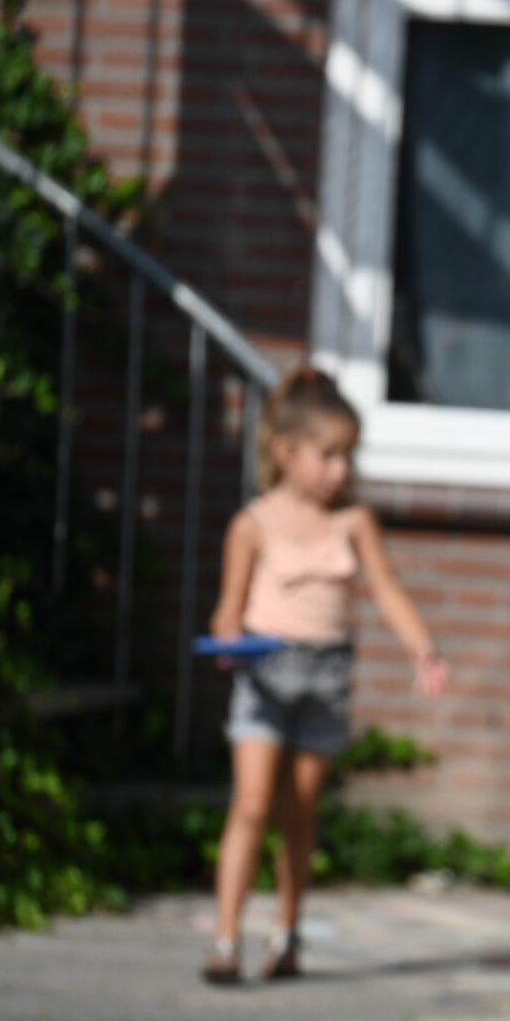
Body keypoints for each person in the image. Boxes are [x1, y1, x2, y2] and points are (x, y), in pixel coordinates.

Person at [203, 366, 448, 983]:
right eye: (328, 455)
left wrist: (422, 648)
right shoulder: (252, 523)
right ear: (285, 452)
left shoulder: (353, 522)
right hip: (265, 672)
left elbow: (386, 591)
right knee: (252, 804)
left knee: (300, 810)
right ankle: (226, 939)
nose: (342, 470)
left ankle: (286, 935)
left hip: (326, 674)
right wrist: (229, 643)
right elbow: (229, 604)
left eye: (349, 456)